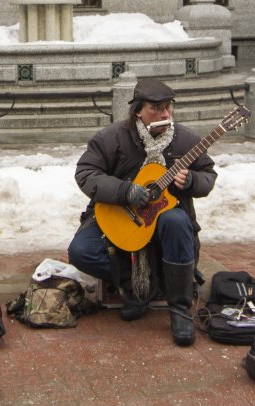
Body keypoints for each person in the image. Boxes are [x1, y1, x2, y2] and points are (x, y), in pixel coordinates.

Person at [67, 78, 217, 346]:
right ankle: (137, 285)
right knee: (81, 251)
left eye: (168, 107)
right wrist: (124, 191)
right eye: (156, 108)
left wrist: (193, 181)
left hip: (168, 224)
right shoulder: (112, 138)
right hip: (119, 215)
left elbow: (208, 175)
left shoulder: (186, 141)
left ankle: (180, 310)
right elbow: (86, 173)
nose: (165, 114)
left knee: (175, 219)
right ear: (138, 110)